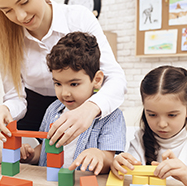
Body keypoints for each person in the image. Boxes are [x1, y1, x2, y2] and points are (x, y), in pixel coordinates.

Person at [0, 0, 127, 148]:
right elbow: (15, 97)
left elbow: (115, 77)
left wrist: (90, 108)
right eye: (7, 11)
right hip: (32, 111)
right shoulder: (6, 38)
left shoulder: (78, 18)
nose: (21, 16)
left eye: (24, 2)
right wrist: (5, 109)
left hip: (80, 106)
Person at [20, 32, 126, 175]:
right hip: (49, 184)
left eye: (74, 84)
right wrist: (31, 155)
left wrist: (99, 155)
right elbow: (45, 147)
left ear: (97, 79)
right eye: (58, 83)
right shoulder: (53, 109)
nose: (64, 93)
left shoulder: (112, 116)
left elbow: (109, 160)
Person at [111, 65, 187, 186]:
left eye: (172, 115)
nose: (162, 124)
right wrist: (118, 165)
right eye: (152, 114)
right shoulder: (140, 139)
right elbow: (128, 173)